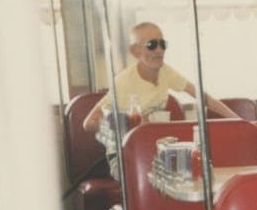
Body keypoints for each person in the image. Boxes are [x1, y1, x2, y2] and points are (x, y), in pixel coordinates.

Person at [83, 21, 240, 175]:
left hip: (153, 147)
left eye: (162, 44)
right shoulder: (123, 82)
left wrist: (241, 122)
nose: (159, 50)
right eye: (152, 45)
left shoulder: (166, 72)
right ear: (135, 51)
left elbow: (203, 97)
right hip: (123, 153)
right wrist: (129, 121)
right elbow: (89, 123)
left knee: (198, 167)